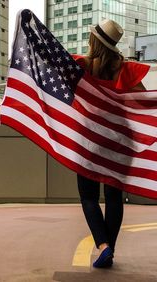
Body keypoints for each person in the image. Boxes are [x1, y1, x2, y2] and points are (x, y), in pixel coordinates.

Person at [73, 19, 149, 268]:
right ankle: (110, 250)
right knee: (114, 197)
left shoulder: (82, 66)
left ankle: (103, 246)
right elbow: (143, 102)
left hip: (91, 138)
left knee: (88, 197)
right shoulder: (125, 70)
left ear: (94, 41)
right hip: (119, 140)